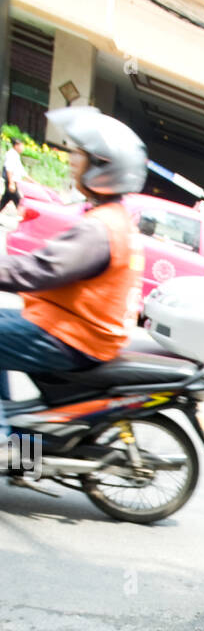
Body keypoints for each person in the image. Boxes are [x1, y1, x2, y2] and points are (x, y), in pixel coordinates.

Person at [0, 108, 147, 410]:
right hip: (75, 330)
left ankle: (4, 439)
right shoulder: (114, 219)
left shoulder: (101, 227)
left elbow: (35, 271)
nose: (71, 160)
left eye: (78, 153)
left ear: (101, 166)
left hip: (72, 338)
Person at [0, 138, 28, 220]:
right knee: (19, 202)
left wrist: (33, 181)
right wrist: (11, 183)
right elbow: (9, 169)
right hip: (11, 181)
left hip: (12, 182)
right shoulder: (11, 155)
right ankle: (25, 219)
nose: (23, 148)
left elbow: (21, 171)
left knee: (4, 201)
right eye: (21, 146)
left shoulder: (16, 155)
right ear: (16, 145)